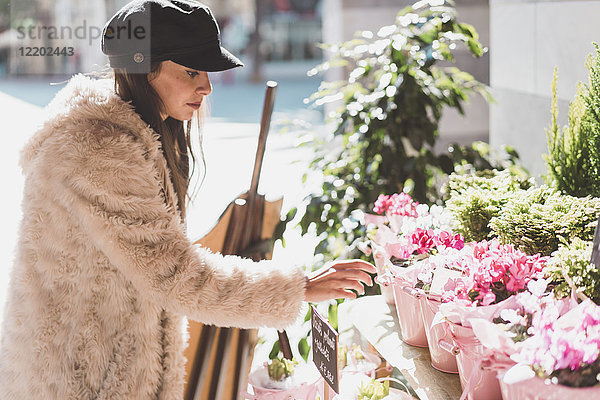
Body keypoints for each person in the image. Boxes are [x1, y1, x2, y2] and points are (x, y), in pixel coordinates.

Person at [0, 1, 376, 399]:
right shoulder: (99, 150)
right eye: (191, 71)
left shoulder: (129, 132)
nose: (207, 87)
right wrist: (296, 288)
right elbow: (176, 277)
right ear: (145, 68)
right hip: (79, 378)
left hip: (97, 366)